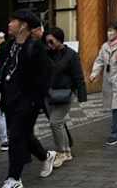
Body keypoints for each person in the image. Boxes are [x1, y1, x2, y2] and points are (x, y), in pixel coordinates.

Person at [0, 11, 56, 187]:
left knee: (16, 137)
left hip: (28, 101)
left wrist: (35, 100)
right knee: (23, 135)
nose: (9, 24)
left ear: (23, 25)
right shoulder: (8, 46)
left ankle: (14, 179)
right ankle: (46, 156)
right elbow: (0, 71)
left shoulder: (36, 48)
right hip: (9, 99)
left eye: (13, 21)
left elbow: (45, 77)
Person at [45, 27, 87, 168]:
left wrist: (81, 95)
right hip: (49, 94)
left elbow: (78, 76)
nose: (49, 44)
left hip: (65, 93)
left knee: (55, 122)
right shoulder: (47, 53)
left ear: (59, 40)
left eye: (51, 41)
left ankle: (61, 152)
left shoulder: (71, 55)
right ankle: (67, 151)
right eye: (47, 42)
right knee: (59, 123)